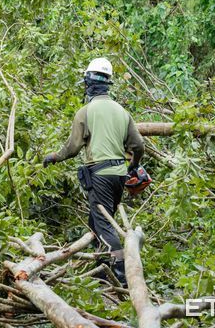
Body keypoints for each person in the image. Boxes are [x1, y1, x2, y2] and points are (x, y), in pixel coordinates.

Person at [43, 57, 145, 285]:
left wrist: (54, 157)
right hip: (119, 175)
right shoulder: (122, 112)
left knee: (105, 226)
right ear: (107, 84)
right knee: (96, 221)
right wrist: (134, 166)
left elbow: (72, 147)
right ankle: (101, 270)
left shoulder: (85, 112)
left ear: (88, 84)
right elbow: (138, 145)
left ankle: (121, 275)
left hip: (99, 176)